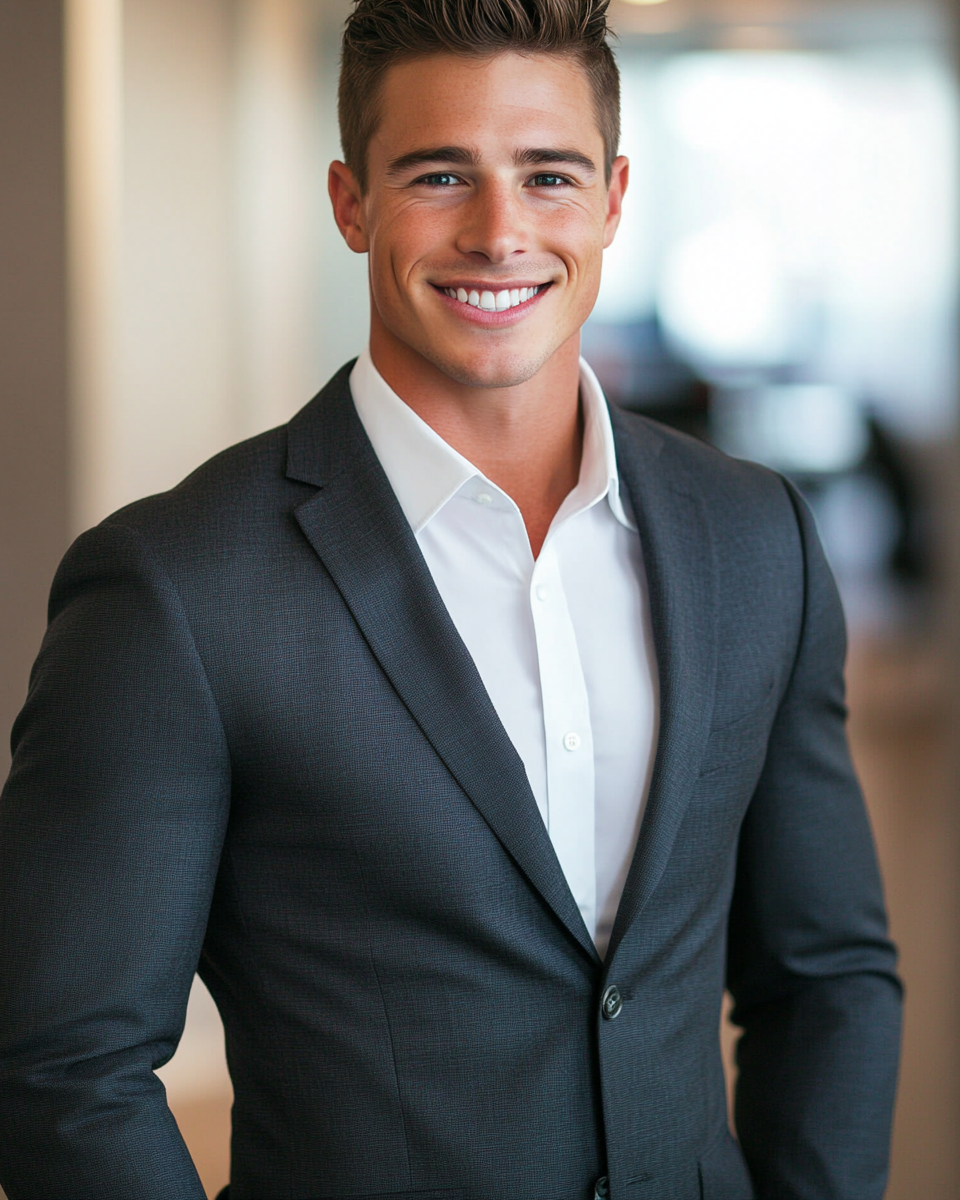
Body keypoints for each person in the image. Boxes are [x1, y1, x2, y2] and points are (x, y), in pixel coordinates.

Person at [0, 2, 902, 1197]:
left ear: (615, 199)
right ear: (350, 202)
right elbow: (62, 1066)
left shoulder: (758, 537)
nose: (500, 231)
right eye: (440, 175)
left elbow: (826, 973)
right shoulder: (177, 588)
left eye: (548, 175)